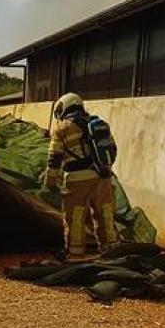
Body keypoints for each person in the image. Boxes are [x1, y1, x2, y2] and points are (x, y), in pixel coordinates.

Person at [42, 93, 120, 259]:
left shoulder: (63, 128)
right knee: (105, 214)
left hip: (77, 180)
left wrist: (49, 181)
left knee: (75, 217)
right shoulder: (99, 124)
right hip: (103, 177)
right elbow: (112, 149)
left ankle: (75, 254)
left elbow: (54, 159)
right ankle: (112, 252)